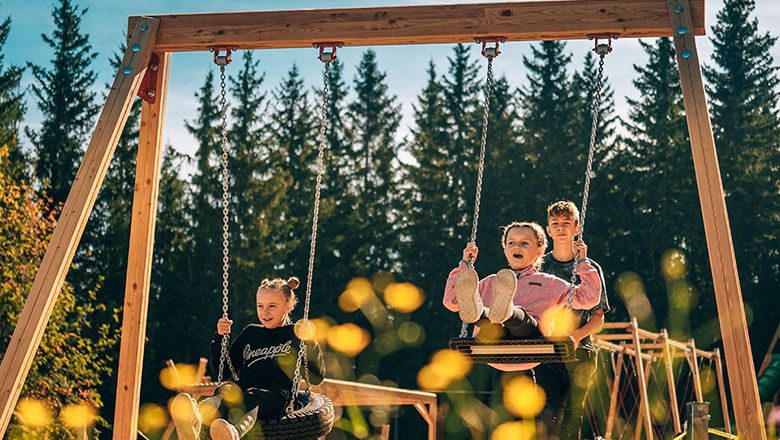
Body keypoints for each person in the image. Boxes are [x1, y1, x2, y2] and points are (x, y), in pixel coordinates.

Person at [442, 221, 602, 368]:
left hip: (530, 341)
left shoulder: (549, 283)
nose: (516, 247)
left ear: (539, 251)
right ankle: (479, 313)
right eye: (511, 243)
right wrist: (464, 264)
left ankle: (506, 312)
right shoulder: (491, 282)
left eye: (524, 243)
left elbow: (588, 299)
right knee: (491, 324)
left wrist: (582, 262)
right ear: (505, 250)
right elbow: (451, 301)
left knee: (522, 321)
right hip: (490, 343)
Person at [171, 277, 308, 440]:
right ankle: (195, 419)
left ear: (288, 305)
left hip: (277, 395)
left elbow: (316, 376)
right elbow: (228, 370)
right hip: (242, 390)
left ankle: (233, 433)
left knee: (252, 395)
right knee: (227, 390)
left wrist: (310, 341)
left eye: (272, 306)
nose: (265, 312)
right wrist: (220, 337)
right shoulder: (251, 333)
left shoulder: (295, 333)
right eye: (260, 306)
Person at [536, 200, 610, 439]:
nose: (560, 228)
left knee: (573, 413)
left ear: (576, 228)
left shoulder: (590, 269)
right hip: (548, 349)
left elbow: (598, 318)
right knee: (548, 411)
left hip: (580, 350)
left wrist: (576, 336)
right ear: (548, 229)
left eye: (566, 223)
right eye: (555, 224)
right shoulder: (539, 267)